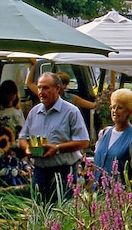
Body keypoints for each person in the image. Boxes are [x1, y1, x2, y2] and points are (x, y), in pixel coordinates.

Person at [19, 72, 90, 200]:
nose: (41, 91)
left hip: (63, 172)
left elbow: (84, 142)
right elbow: (22, 137)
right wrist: (27, 149)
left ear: (57, 88)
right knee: (39, 211)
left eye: (45, 88)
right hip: (40, 171)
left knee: (62, 214)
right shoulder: (34, 112)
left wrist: (57, 148)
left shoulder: (71, 111)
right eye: (39, 87)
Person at [93, 89, 132, 185]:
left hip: (119, 195)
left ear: (129, 111)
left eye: (119, 108)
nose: (114, 111)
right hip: (98, 194)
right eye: (113, 107)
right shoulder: (104, 133)